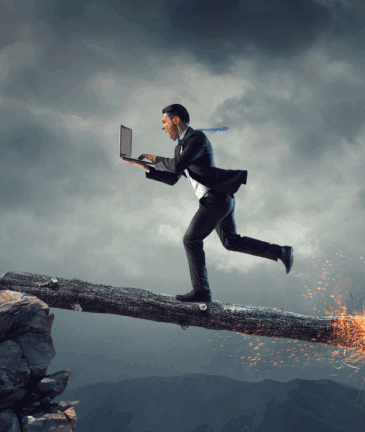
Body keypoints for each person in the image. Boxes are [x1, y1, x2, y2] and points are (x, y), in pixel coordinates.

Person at [124, 104, 293, 303]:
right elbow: (173, 178)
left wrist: (155, 158)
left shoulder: (197, 139)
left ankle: (201, 291)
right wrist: (145, 167)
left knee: (190, 239)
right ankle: (281, 251)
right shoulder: (180, 147)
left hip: (216, 199)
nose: (162, 127)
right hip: (219, 199)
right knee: (231, 242)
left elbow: (177, 165)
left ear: (176, 120)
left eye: (164, 122)